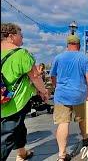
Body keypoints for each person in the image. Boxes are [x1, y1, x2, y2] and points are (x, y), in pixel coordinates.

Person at [1, 23, 49, 161]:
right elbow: (35, 77)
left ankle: (22, 153)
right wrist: (44, 92)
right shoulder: (21, 53)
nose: (22, 38)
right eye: (20, 35)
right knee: (6, 138)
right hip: (13, 103)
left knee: (20, 128)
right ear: (11, 36)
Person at [50, 34, 88, 161]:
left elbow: (53, 76)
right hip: (79, 94)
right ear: (79, 45)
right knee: (82, 119)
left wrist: (56, 87)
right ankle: (86, 138)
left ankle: (62, 155)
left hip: (61, 95)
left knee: (63, 123)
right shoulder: (84, 58)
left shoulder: (58, 57)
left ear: (67, 45)